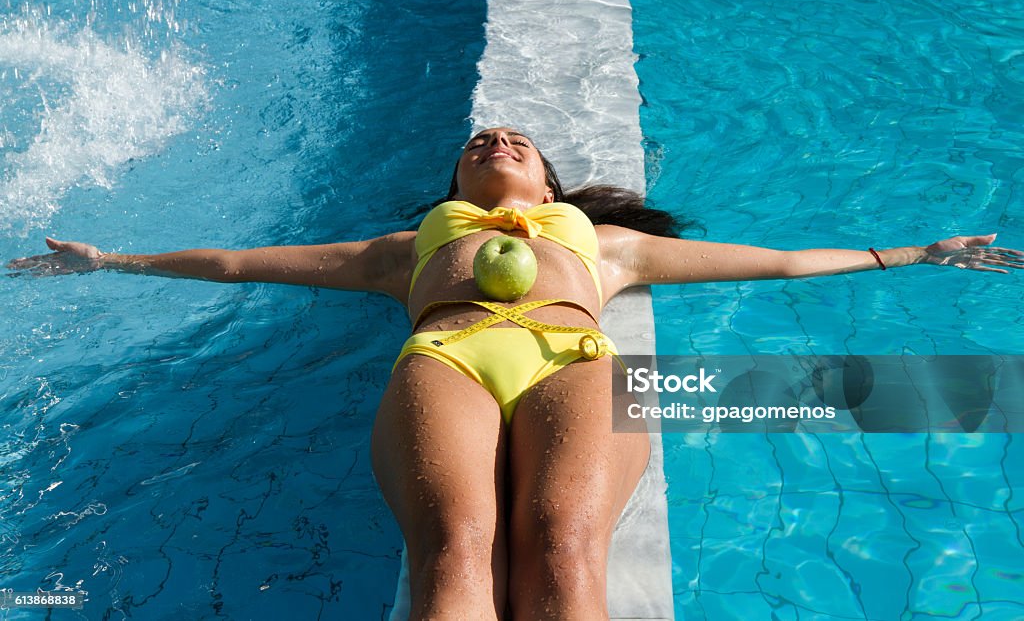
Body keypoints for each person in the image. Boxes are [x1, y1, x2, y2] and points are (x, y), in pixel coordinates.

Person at [7, 127, 1023, 620]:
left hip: (576, 360)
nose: (497, 140)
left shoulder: (608, 244)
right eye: (478, 141)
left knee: (563, 544)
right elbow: (236, 263)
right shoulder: (404, 247)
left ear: (547, 180)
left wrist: (911, 255)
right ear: (455, 181)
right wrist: (110, 261)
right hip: (444, 355)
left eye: (520, 143)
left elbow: (787, 260)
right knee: (456, 547)